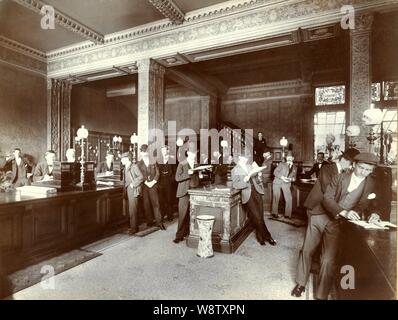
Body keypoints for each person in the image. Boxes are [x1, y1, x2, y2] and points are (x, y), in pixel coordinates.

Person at [292, 152, 379, 300]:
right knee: (307, 250)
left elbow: (372, 203)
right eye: (361, 168)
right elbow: (327, 198)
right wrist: (343, 212)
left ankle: (321, 294)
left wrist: (375, 213)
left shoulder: (371, 184)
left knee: (327, 259)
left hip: (337, 224)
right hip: (319, 216)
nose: (364, 172)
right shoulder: (340, 177)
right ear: (354, 165)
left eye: (368, 170)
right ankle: (300, 283)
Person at [231, 151, 276, 246]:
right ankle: (268, 236)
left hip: (257, 191)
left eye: (246, 158)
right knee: (256, 216)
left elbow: (255, 178)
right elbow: (235, 185)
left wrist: (258, 175)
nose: (246, 160)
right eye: (244, 158)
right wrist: (245, 180)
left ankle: (260, 238)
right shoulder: (235, 169)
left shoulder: (249, 166)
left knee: (260, 216)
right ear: (239, 157)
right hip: (247, 194)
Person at [174, 143, 200, 243]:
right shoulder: (182, 163)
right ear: (188, 153)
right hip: (184, 192)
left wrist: (200, 176)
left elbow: (196, 177)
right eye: (192, 153)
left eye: (195, 153)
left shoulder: (197, 163)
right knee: (182, 214)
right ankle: (179, 235)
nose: (194, 155)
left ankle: (189, 233)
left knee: (192, 213)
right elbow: (177, 178)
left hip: (194, 191)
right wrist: (187, 174)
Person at [137, 144, 166, 230]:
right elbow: (140, 175)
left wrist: (153, 181)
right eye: (143, 152)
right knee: (146, 205)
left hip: (153, 185)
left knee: (156, 204)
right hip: (145, 186)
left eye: (146, 152)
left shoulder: (153, 161)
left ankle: (159, 222)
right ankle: (149, 221)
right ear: (141, 153)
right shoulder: (139, 164)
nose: (144, 154)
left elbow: (158, 173)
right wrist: (146, 182)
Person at [121, 152, 144, 235]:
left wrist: (132, 184)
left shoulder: (134, 166)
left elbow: (141, 177)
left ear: (127, 158)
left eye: (122, 159)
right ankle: (132, 226)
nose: (121, 161)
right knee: (128, 209)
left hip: (133, 190)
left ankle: (134, 228)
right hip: (127, 190)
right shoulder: (125, 167)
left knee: (133, 209)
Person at [271, 152, 297, 218]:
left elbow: (294, 178)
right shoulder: (281, 164)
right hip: (277, 182)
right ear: (286, 158)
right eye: (288, 157)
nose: (289, 159)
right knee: (276, 197)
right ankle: (274, 213)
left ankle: (287, 215)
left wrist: (291, 179)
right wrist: (282, 177)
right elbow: (275, 172)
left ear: (293, 158)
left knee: (289, 198)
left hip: (286, 183)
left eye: (290, 157)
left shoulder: (295, 168)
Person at [157, 145, 176, 222]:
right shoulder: (159, 160)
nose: (163, 152)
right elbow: (157, 171)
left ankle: (169, 215)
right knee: (161, 200)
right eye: (162, 151)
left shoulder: (172, 160)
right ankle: (162, 215)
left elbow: (175, 172)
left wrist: (171, 181)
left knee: (169, 200)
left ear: (168, 151)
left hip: (169, 183)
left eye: (164, 150)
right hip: (161, 182)